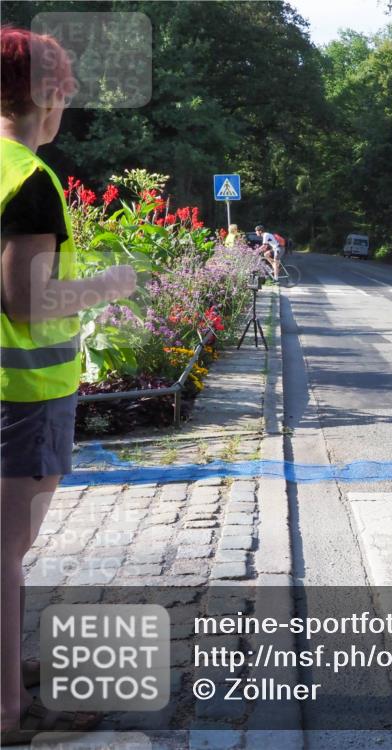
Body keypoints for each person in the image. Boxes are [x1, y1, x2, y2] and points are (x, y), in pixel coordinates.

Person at [1, 26, 137, 744]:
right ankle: (9, 715)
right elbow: (27, 302)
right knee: (5, 552)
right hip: (22, 398)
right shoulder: (29, 178)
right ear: (47, 97)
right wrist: (109, 285)